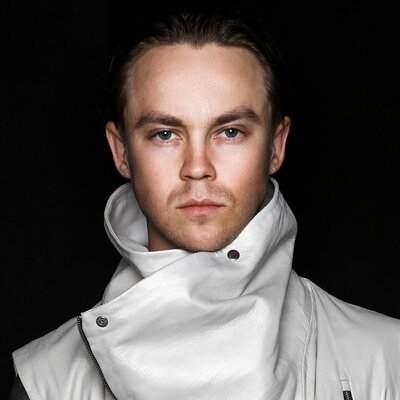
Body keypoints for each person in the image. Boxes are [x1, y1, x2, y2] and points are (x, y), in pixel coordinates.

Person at [9, 6, 400, 400]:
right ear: (122, 151)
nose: (197, 168)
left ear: (276, 145)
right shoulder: (46, 383)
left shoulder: (386, 359)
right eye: (165, 134)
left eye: (230, 132)